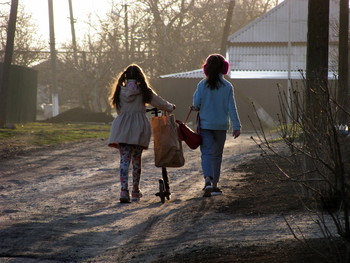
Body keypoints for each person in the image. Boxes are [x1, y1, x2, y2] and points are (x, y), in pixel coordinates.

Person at [108, 64, 176, 203]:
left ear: (125, 76)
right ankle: (135, 191)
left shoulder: (119, 91)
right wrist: (170, 107)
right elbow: (159, 102)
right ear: (140, 77)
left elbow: (119, 109)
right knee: (136, 160)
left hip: (121, 128)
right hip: (138, 128)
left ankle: (123, 191)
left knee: (124, 160)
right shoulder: (144, 91)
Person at [192, 54, 241, 197]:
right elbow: (232, 108)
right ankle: (214, 186)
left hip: (205, 126)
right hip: (221, 126)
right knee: (217, 156)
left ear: (207, 68)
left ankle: (207, 179)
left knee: (206, 153)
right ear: (224, 68)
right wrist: (236, 126)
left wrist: (196, 107)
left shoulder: (202, 85)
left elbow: (196, 104)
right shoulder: (227, 86)